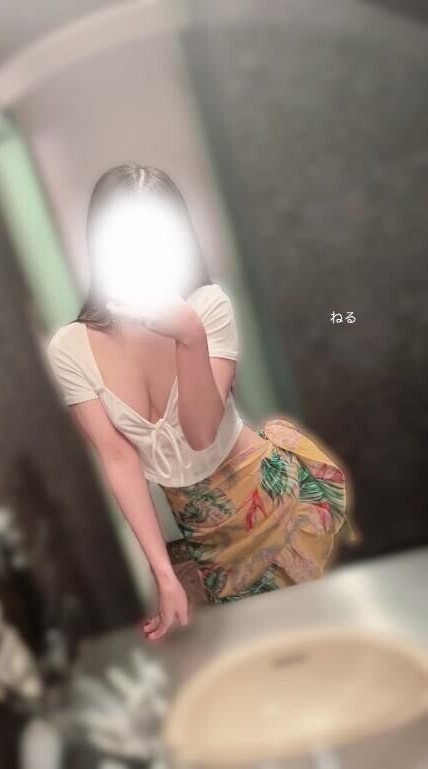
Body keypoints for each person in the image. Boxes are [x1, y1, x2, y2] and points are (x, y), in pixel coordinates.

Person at [46, 164, 351, 641]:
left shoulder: (207, 307)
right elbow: (118, 458)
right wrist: (163, 573)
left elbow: (201, 432)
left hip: (269, 500)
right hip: (202, 531)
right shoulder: (69, 347)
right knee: (259, 652)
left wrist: (189, 335)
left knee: (315, 640)